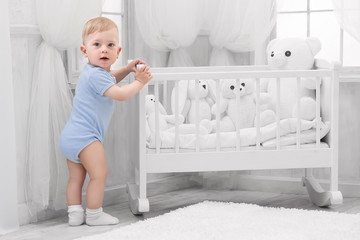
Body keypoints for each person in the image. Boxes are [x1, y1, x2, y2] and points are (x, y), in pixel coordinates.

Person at [60, 17, 152, 226]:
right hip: (87, 138)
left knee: (76, 178)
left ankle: (74, 215)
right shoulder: (97, 75)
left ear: (117, 52)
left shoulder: (95, 73)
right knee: (99, 175)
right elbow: (119, 94)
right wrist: (139, 81)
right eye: (97, 45)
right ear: (85, 51)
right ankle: (94, 215)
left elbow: (110, 80)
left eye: (110, 45)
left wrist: (128, 69)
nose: (104, 50)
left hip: (70, 137)